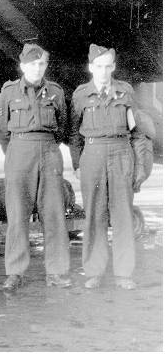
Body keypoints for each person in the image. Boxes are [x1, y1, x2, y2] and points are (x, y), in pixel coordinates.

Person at [69, 44, 150, 290]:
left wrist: (139, 166)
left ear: (113, 67)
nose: (103, 72)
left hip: (121, 152)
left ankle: (124, 273)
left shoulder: (125, 92)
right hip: (92, 154)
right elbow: (74, 134)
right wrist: (77, 164)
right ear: (90, 67)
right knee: (94, 214)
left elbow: (137, 132)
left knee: (122, 214)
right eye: (98, 66)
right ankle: (94, 270)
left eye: (107, 66)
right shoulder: (80, 94)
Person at [0, 43, 72, 291]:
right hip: (19, 153)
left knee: (54, 214)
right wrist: (17, 150)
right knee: (17, 215)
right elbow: (0, 128)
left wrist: (44, 145)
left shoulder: (56, 92)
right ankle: (15, 272)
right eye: (33, 64)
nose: (38, 68)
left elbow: (62, 127)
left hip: (49, 151)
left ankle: (57, 271)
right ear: (22, 66)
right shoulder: (8, 92)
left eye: (42, 64)